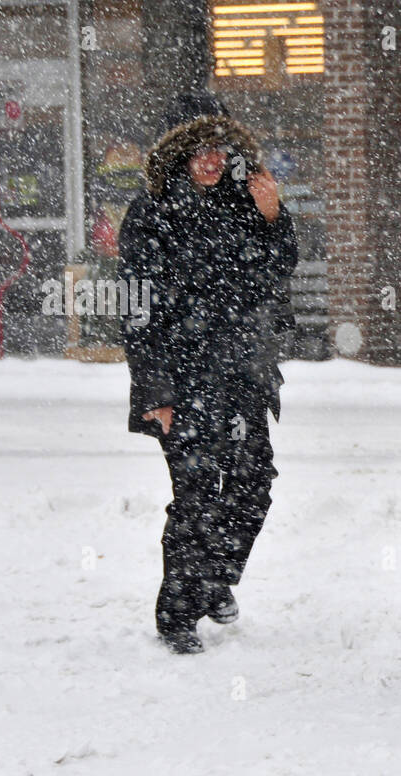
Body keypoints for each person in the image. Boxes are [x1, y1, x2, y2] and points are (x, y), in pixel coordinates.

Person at [118, 107, 298, 654]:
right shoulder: (152, 210)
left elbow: (278, 271)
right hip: (181, 376)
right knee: (194, 496)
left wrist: (273, 218)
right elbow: (136, 308)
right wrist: (154, 392)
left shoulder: (248, 202)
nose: (212, 161)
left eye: (221, 150)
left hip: (243, 373)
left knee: (252, 485)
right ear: (180, 154)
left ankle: (216, 577)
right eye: (201, 151)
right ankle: (177, 614)